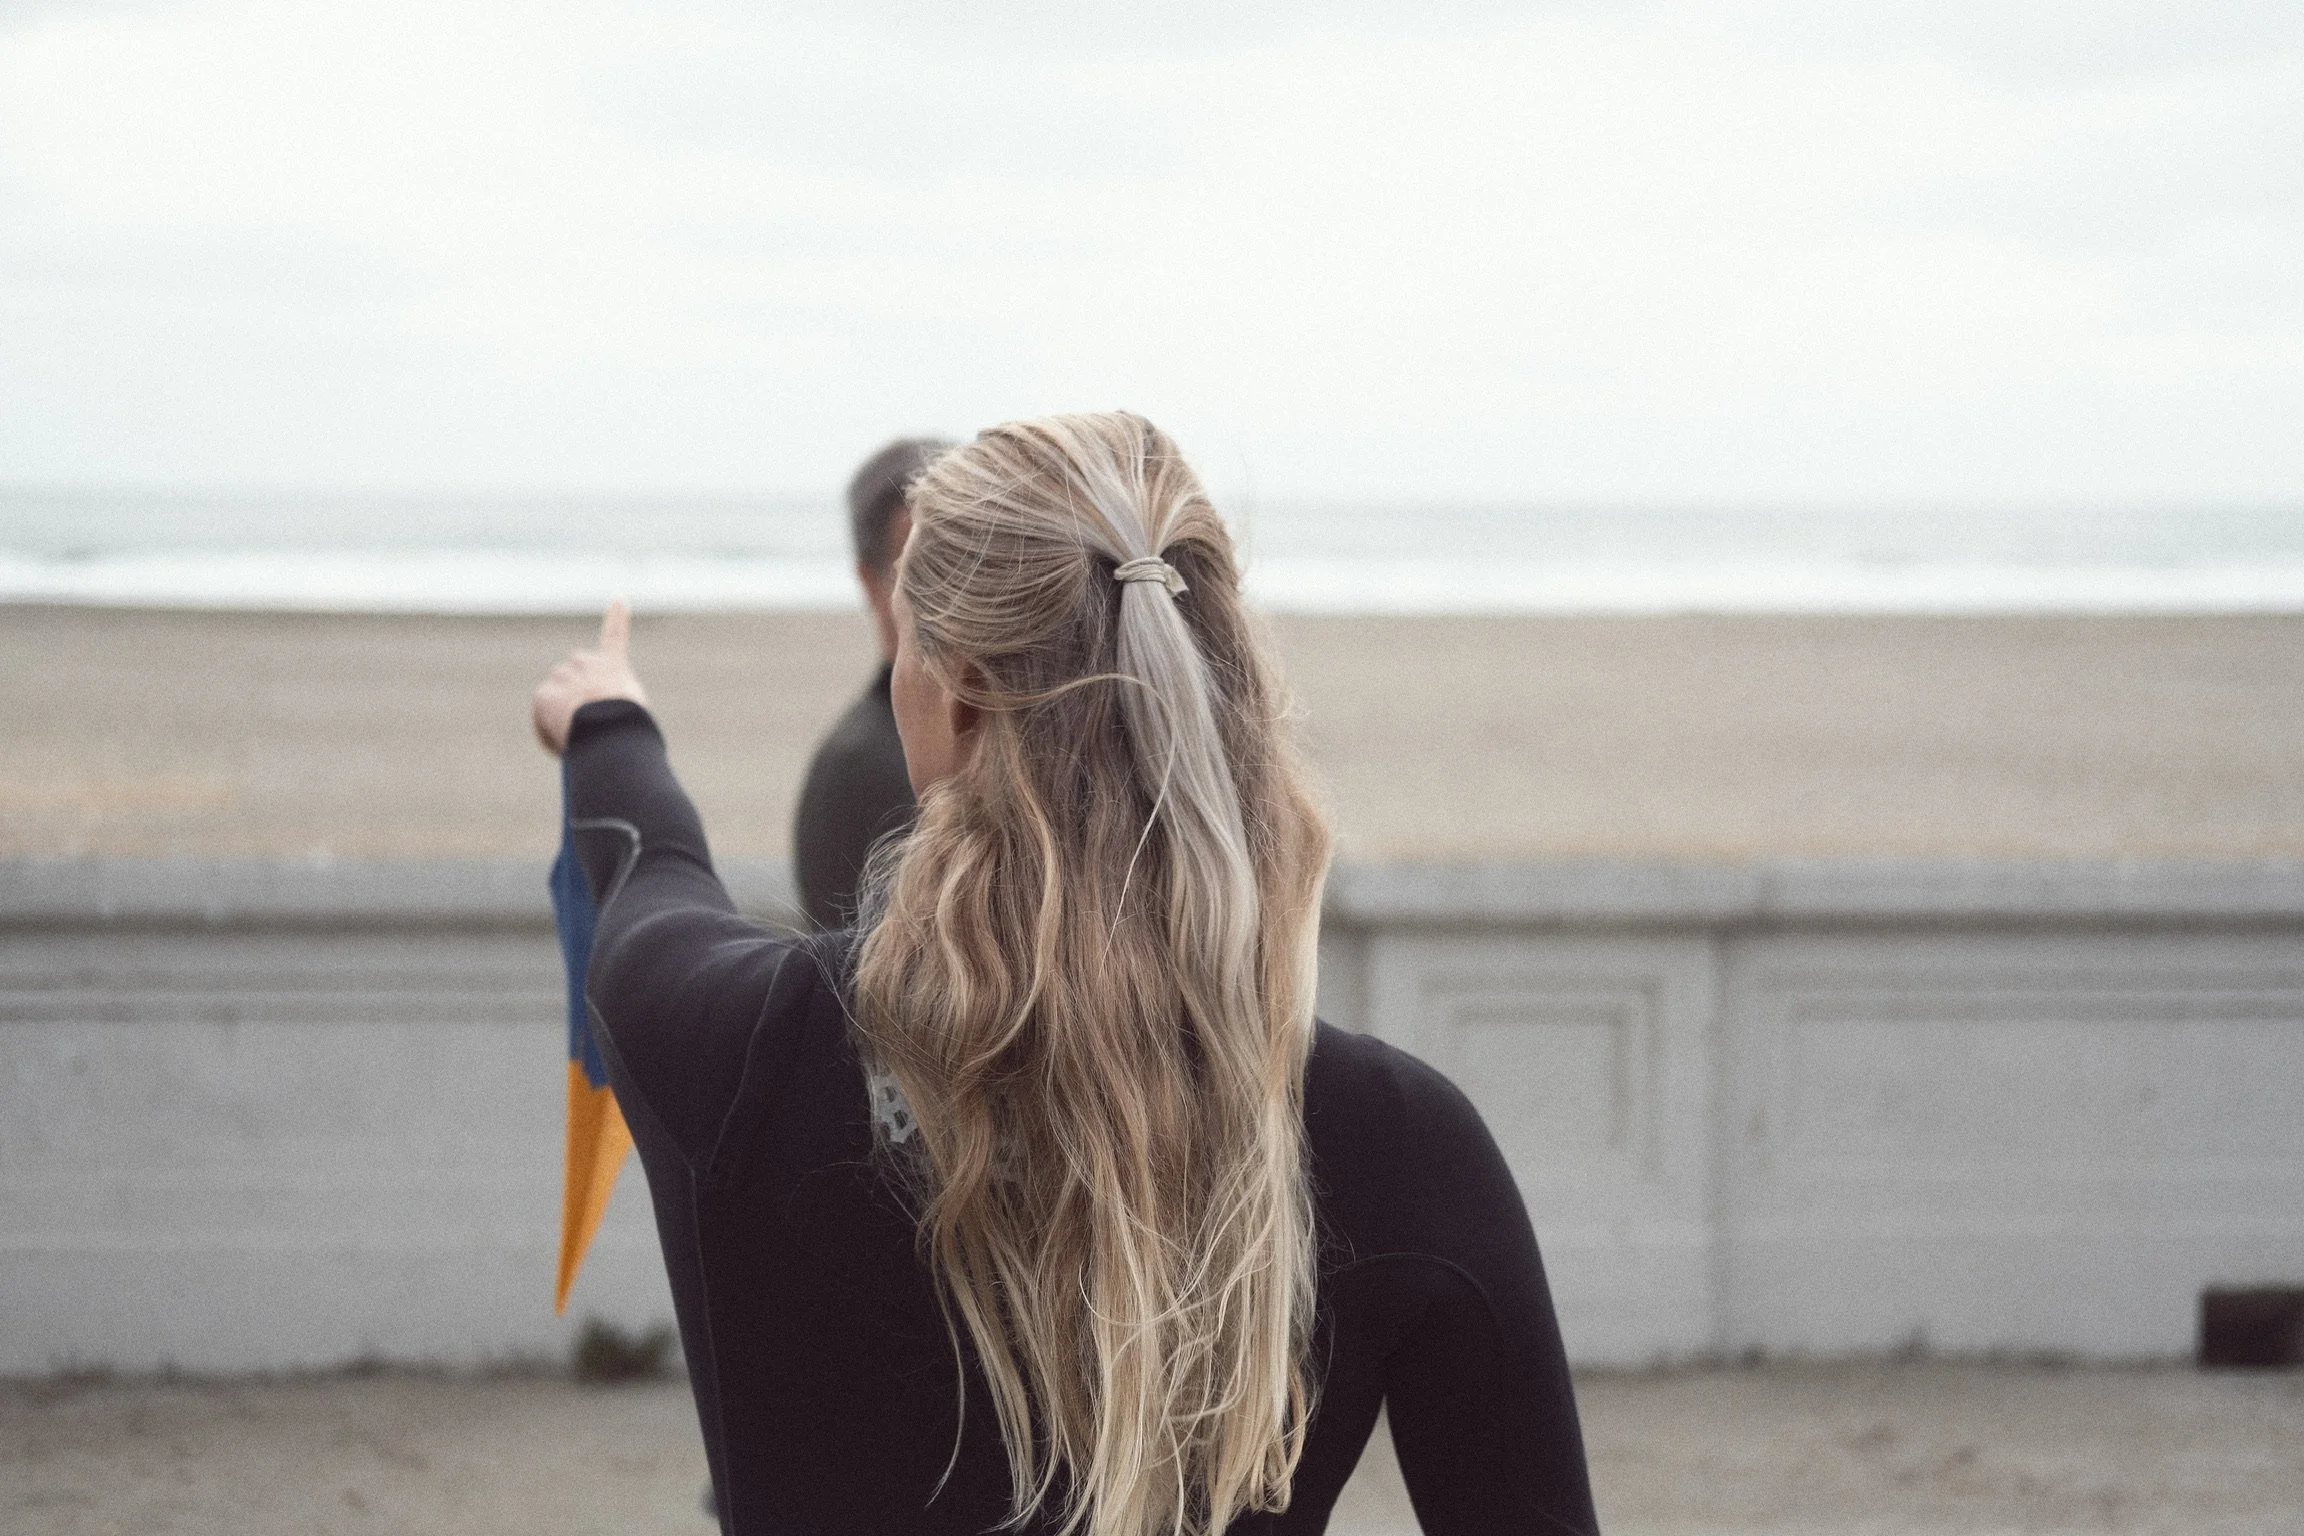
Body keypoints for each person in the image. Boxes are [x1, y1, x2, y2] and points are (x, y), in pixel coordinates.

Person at [531, 413, 1599, 1536]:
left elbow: (653, 882)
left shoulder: (742, 1049)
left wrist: (610, 725)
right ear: (1221, 683)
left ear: (952, 698)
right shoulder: (1402, 1146)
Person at [790, 437, 950, 931]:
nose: (959, 592)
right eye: (924, 570)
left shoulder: (991, 737)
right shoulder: (861, 771)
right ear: (871, 582)